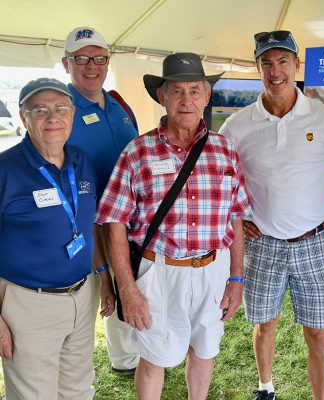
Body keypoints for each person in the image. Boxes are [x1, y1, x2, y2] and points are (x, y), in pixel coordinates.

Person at [95, 52, 252, 399]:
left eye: (195, 91)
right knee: (153, 360)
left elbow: (236, 216)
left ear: (207, 96)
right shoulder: (138, 152)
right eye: (177, 91)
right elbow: (114, 223)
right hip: (159, 272)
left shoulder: (224, 150)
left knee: (205, 351)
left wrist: (237, 277)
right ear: (161, 96)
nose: (186, 100)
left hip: (213, 269)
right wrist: (128, 289)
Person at [219, 31, 324, 400]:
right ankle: (265, 387)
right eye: (266, 63)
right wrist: (239, 216)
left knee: (318, 332)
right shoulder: (237, 125)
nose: (275, 71)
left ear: (296, 65)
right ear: (257, 69)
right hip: (262, 244)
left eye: (283, 61)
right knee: (264, 324)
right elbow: (220, 180)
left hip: (314, 242)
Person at [0, 78, 99, 399]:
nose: (52, 117)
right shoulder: (5, 170)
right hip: (28, 304)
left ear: (72, 114)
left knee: (78, 389)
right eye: (40, 110)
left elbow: (90, 224)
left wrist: (103, 277)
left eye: (60, 109)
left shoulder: (81, 161)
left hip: (82, 295)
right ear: (23, 117)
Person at [62, 26, 140, 375]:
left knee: (128, 283)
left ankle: (130, 357)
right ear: (66, 63)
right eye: (81, 59)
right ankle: (90, 368)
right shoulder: (61, 108)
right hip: (85, 221)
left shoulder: (119, 103)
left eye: (99, 58)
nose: (91, 66)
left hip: (128, 219)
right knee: (94, 293)